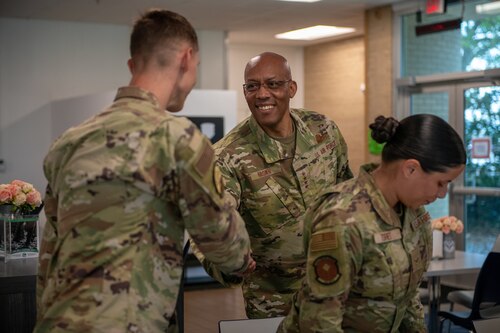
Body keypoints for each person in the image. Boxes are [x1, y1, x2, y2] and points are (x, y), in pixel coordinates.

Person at [35, 9, 254, 333]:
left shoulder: (69, 142)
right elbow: (225, 244)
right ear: (186, 58)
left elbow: (48, 254)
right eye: (196, 67)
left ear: (131, 65)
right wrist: (243, 260)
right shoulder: (178, 139)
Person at [192, 51, 353, 319]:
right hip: (274, 301)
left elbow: (348, 196)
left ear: (291, 88)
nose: (262, 94)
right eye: (252, 86)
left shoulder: (323, 131)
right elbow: (211, 227)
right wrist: (230, 263)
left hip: (336, 288)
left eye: (273, 84)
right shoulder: (227, 156)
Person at [278, 114, 467, 332]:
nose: (443, 194)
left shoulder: (414, 215)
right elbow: (321, 319)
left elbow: (409, 294)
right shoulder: (342, 217)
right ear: (411, 169)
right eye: (441, 183)